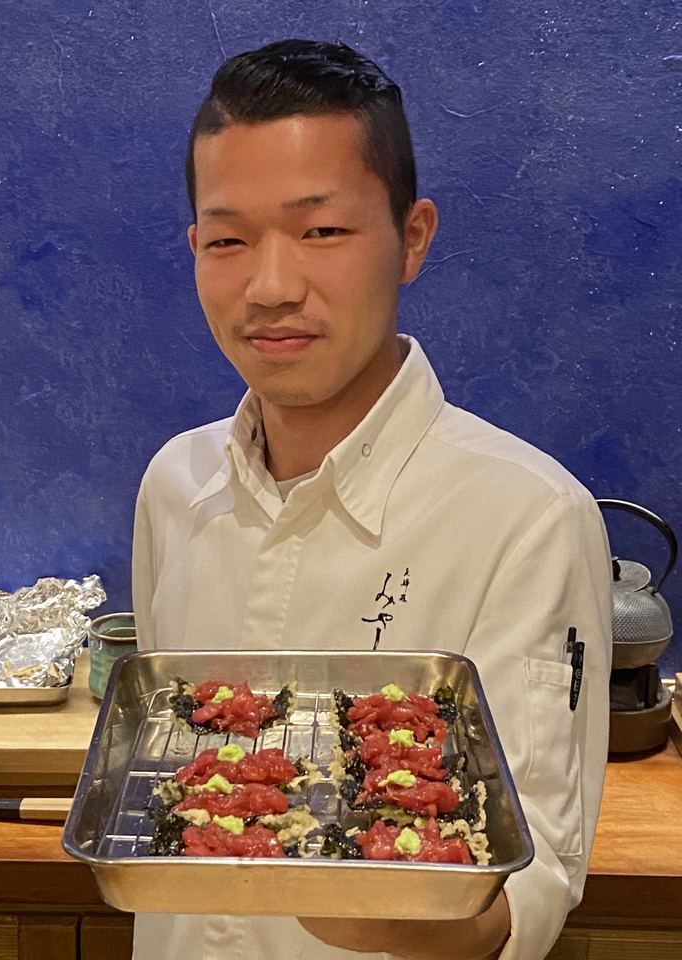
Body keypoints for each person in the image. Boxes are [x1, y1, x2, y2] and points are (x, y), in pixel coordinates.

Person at [132, 39, 612, 960]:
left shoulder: (527, 516)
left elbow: (536, 879)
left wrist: (402, 902)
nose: (271, 287)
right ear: (195, 249)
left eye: (322, 232)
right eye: (228, 240)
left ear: (412, 239)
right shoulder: (174, 484)